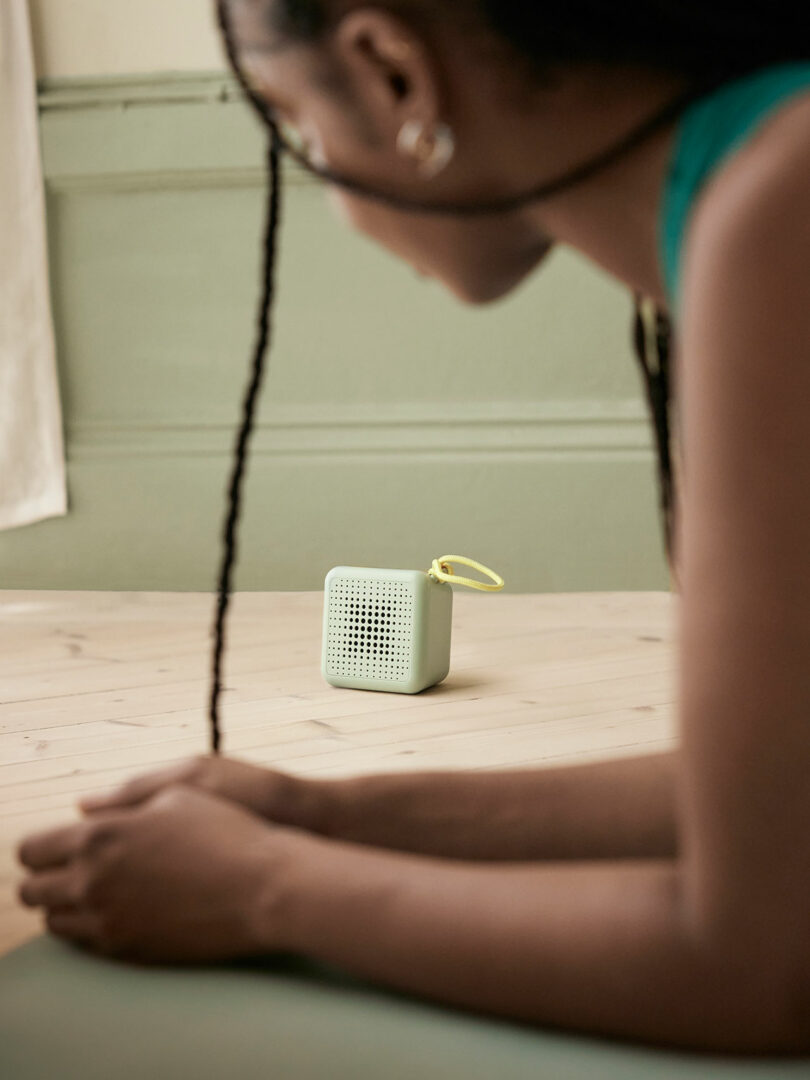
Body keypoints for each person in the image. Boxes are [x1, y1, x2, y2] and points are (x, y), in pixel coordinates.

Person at [16, 0, 810, 1055]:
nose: (328, 191)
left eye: (297, 121)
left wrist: (266, 889)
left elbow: (755, 963)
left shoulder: (779, 212)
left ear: (395, 73)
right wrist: (319, 815)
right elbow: (767, 810)